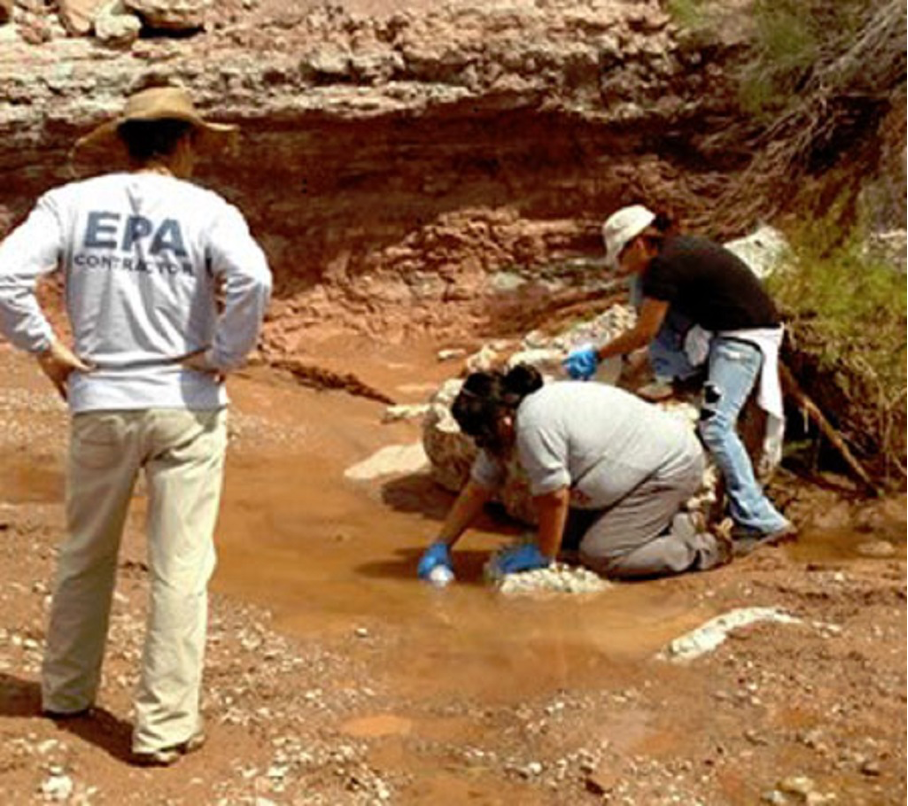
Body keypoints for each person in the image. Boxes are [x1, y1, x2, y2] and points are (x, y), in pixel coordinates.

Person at [0, 85, 272, 766]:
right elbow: (253, 280)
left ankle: (66, 691)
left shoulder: (70, 204)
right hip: (187, 404)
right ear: (184, 142)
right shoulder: (209, 210)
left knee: (85, 550)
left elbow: (4, 276)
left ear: (123, 143)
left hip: (101, 399)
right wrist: (225, 355)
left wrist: (46, 350)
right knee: (180, 568)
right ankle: (163, 728)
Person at [563, 205, 794, 554]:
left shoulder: (664, 267)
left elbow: (645, 332)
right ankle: (677, 376)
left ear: (638, 243)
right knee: (639, 288)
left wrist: (596, 355)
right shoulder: (670, 255)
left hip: (742, 341)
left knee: (715, 426)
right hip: (719, 331)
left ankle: (762, 520)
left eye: (620, 255)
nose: (620, 265)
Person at [417, 365, 731, 582]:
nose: (481, 445)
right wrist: (442, 544)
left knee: (601, 555)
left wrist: (544, 555)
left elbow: (555, 498)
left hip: (668, 469)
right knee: (567, 539)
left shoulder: (533, 425)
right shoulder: (512, 417)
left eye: (481, 436)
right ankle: (678, 524)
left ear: (502, 422)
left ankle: (704, 549)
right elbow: (478, 488)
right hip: (639, 468)